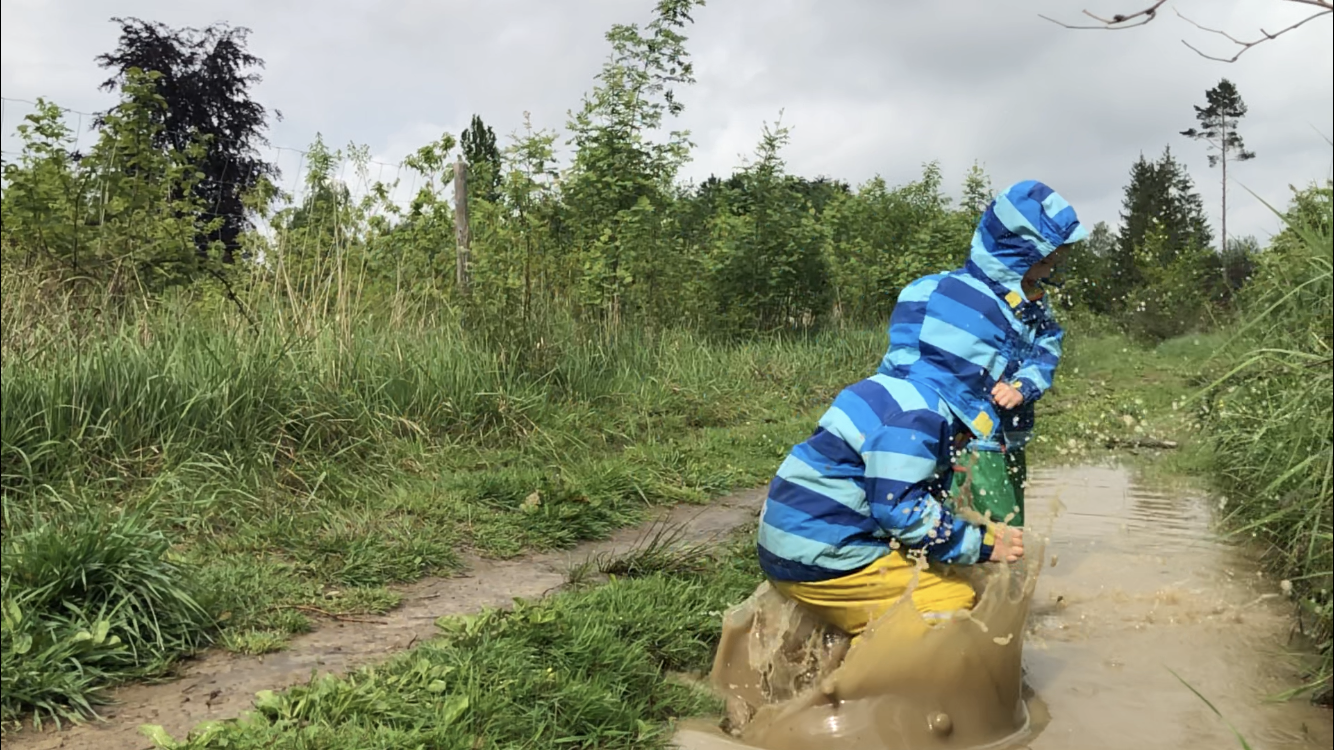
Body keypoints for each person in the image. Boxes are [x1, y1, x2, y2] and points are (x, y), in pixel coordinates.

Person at [755, 179, 1086, 638]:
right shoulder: (919, 422)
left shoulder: (888, 394)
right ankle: (887, 694)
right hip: (822, 557)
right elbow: (899, 510)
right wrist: (983, 544)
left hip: (797, 541)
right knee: (954, 605)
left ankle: (840, 634)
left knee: (924, 551)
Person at [878, 180, 1083, 527]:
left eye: (1054, 263)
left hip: (1006, 437)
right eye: (1044, 262)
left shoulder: (1033, 303)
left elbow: (1046, 348)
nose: (1049, 272)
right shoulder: (942, 293)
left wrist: (1023, 385)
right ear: (1017, 254)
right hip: (957, 434)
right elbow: (907, 360)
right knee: (956, 517)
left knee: (1005, 518)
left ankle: (997, 576)